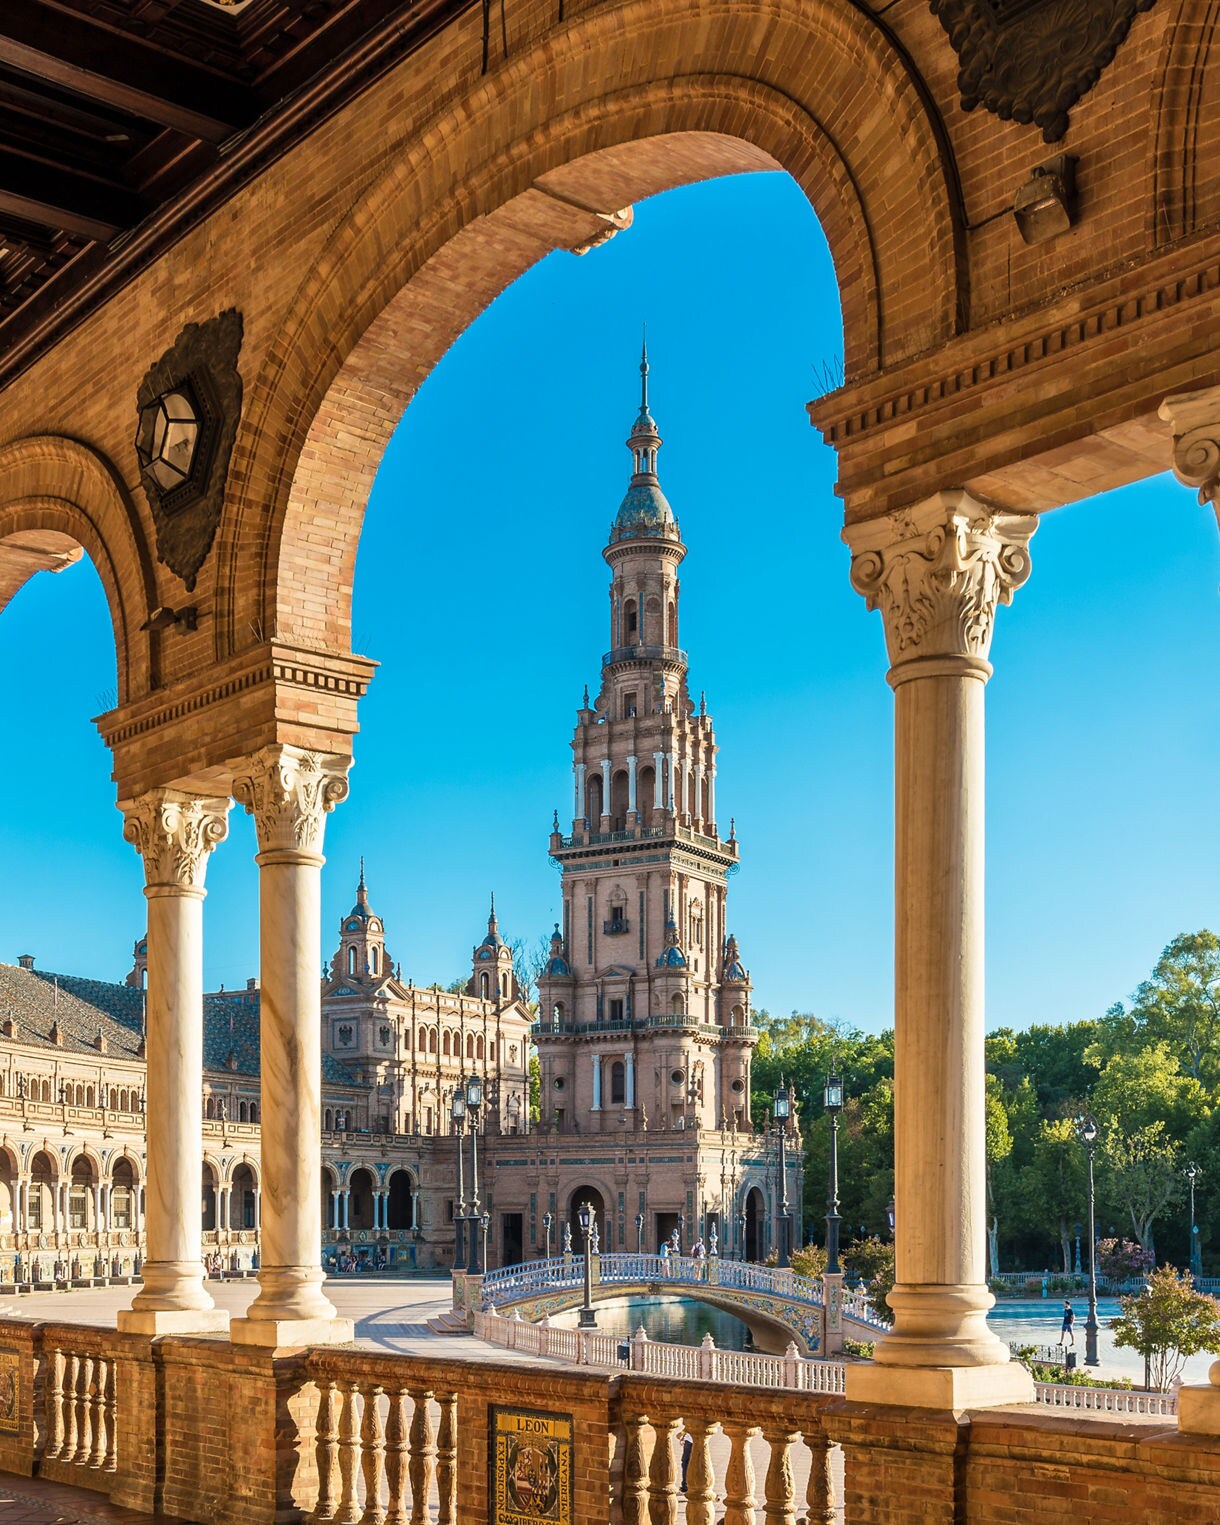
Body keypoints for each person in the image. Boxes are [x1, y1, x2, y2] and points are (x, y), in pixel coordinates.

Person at [679, 1427, 693, 1495]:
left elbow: (689, 1425)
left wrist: (682, 1433)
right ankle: (687, 1485)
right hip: (692, 1441)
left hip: (690, 1442)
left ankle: (685, 1485)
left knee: (686, 1463)